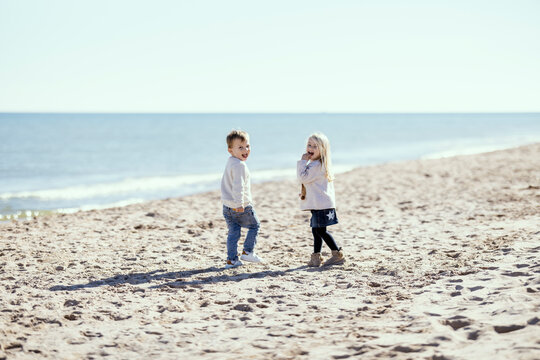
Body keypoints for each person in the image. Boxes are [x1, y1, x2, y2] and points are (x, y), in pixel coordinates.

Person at [297, 132, 345, 267]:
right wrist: (304, 193)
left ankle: (337, 254)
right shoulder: (318, 164)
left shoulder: (316, 165)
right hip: (320, 203)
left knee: (320, 231)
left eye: (315, 146)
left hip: (321, 205)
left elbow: (302, 177)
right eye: (309, 145)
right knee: (316, 230)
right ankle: (316, 257)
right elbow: (311, 183)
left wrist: (302, 161)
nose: (310, 148)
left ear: (323, 150)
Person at [221, 130, 263, 269]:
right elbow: (238, 186)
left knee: (233, 232)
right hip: (241, 205)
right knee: (254, 226)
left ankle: (231, 260)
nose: (245, 150)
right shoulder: (239, 165)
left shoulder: (230, 162)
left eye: (247, 146)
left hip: (227, 206)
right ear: (230, 150)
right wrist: (240, 204)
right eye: (240, 147)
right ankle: (248, 251)